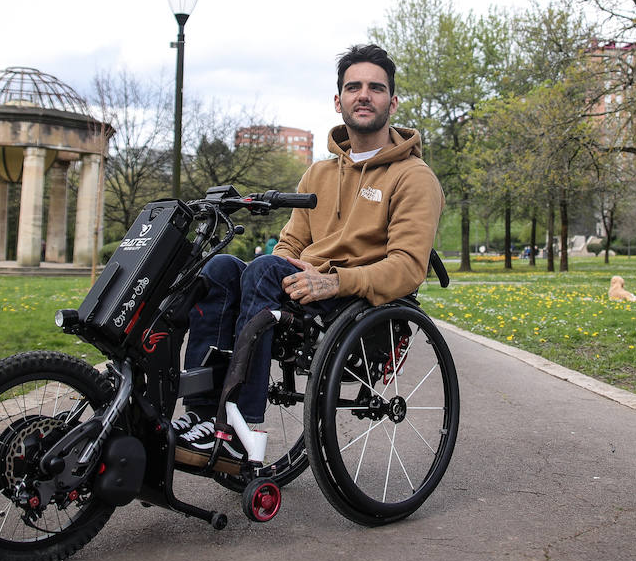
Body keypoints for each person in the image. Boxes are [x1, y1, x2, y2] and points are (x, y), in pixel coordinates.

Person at [174, 43, 444, 468]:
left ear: (392, 102)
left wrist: (335, 280)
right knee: (221, 268)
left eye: (375, 88)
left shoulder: (413, 177)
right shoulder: (318, 173)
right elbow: (289, 245)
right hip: (304, 288)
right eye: (353, 87)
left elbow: (409, 268)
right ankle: (204, 418)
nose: (363, 95)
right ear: (338, 101)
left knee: (263, 271)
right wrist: (289, 269)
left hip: (353, 296)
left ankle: (244, 426)